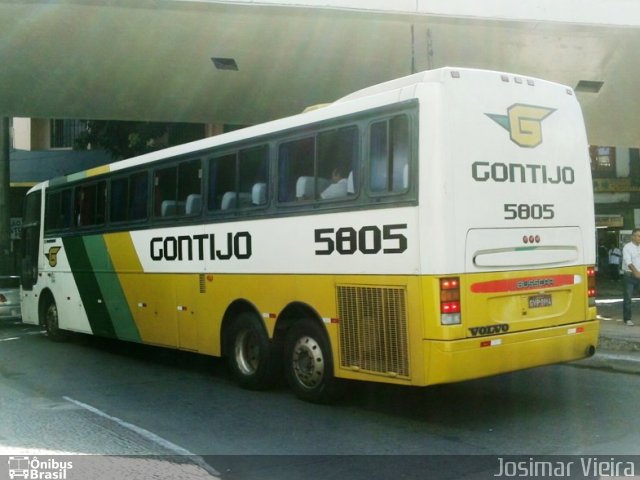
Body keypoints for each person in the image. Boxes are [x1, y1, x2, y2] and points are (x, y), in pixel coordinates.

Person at [621, 228, 640, 326]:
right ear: (632, 236)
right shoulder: (627, 247)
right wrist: (636, 272)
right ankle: (627, 319)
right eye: (637, 236)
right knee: (628, 297)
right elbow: (628, 262)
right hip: (630, 276)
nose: (639, 238)